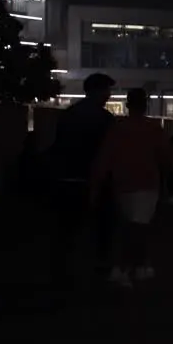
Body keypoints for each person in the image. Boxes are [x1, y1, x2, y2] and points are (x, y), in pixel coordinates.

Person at [90, 88, 173, 287]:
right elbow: (166, 159)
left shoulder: (118, 128)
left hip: (122, 183)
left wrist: (96, 185)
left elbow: (104, 158)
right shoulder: (153, 128)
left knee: (130, 225)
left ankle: (135, 266)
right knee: (139, 227)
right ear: (145, 105)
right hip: (147, 182)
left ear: (128, 104)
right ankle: (127, 267)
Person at [48, 72, 116, 282]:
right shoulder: (105, 119)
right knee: (101, 226)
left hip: (68, 177)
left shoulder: (69, 115)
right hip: (96, 178)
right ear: (98, 91)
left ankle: (63, 269)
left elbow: (58, 146)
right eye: (107, 90)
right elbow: (109, 151)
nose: (109, 95)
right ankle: (99, 266)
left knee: (68, 227)